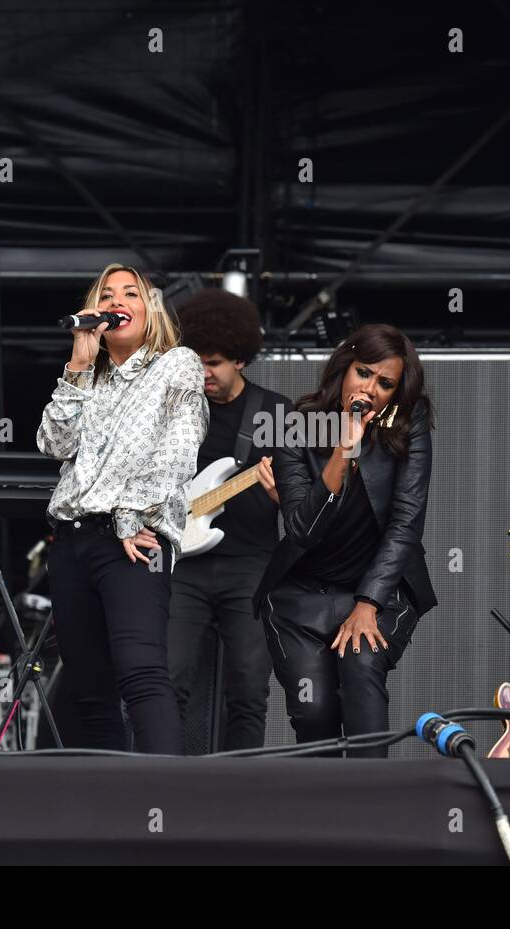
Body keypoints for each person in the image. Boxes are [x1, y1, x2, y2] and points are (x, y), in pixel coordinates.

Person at [37, 263, 208, 755]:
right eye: (107, 294)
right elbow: (52, 442)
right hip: (72, 541)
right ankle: (107, 809)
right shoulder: (89, 377)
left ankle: (165, 805)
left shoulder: (177, 364)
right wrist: (78, 363)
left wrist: (130, 519)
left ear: (149, 308)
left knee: (142, 672)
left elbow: (177, 455)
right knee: (88, 688)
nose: (118, 300)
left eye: (131, 293)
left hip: (135, 539)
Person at [253, 324, 437, 758]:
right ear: (343, 369)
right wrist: (343, 452)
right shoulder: (296, 427)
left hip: (378, 592)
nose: (370, 388)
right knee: (313, 709)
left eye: (385, 383)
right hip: (301, 597)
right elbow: (302, 530)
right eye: (363, 373)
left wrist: (368, 602)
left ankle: (374, 812)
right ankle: (323, 817)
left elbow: (406, 523)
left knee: (360, 670)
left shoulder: (410, 427)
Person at [167, 289, 289, 752]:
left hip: (250, 566)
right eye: (195, 361)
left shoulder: (277, 414)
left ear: (240, 359)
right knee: (169, 680)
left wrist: (283, 493)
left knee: (249, 688)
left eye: (213, 362)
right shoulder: (177, 409)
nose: (203, 373)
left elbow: (308, 494)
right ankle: (159, 784)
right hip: (183, 565)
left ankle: (244, 794)